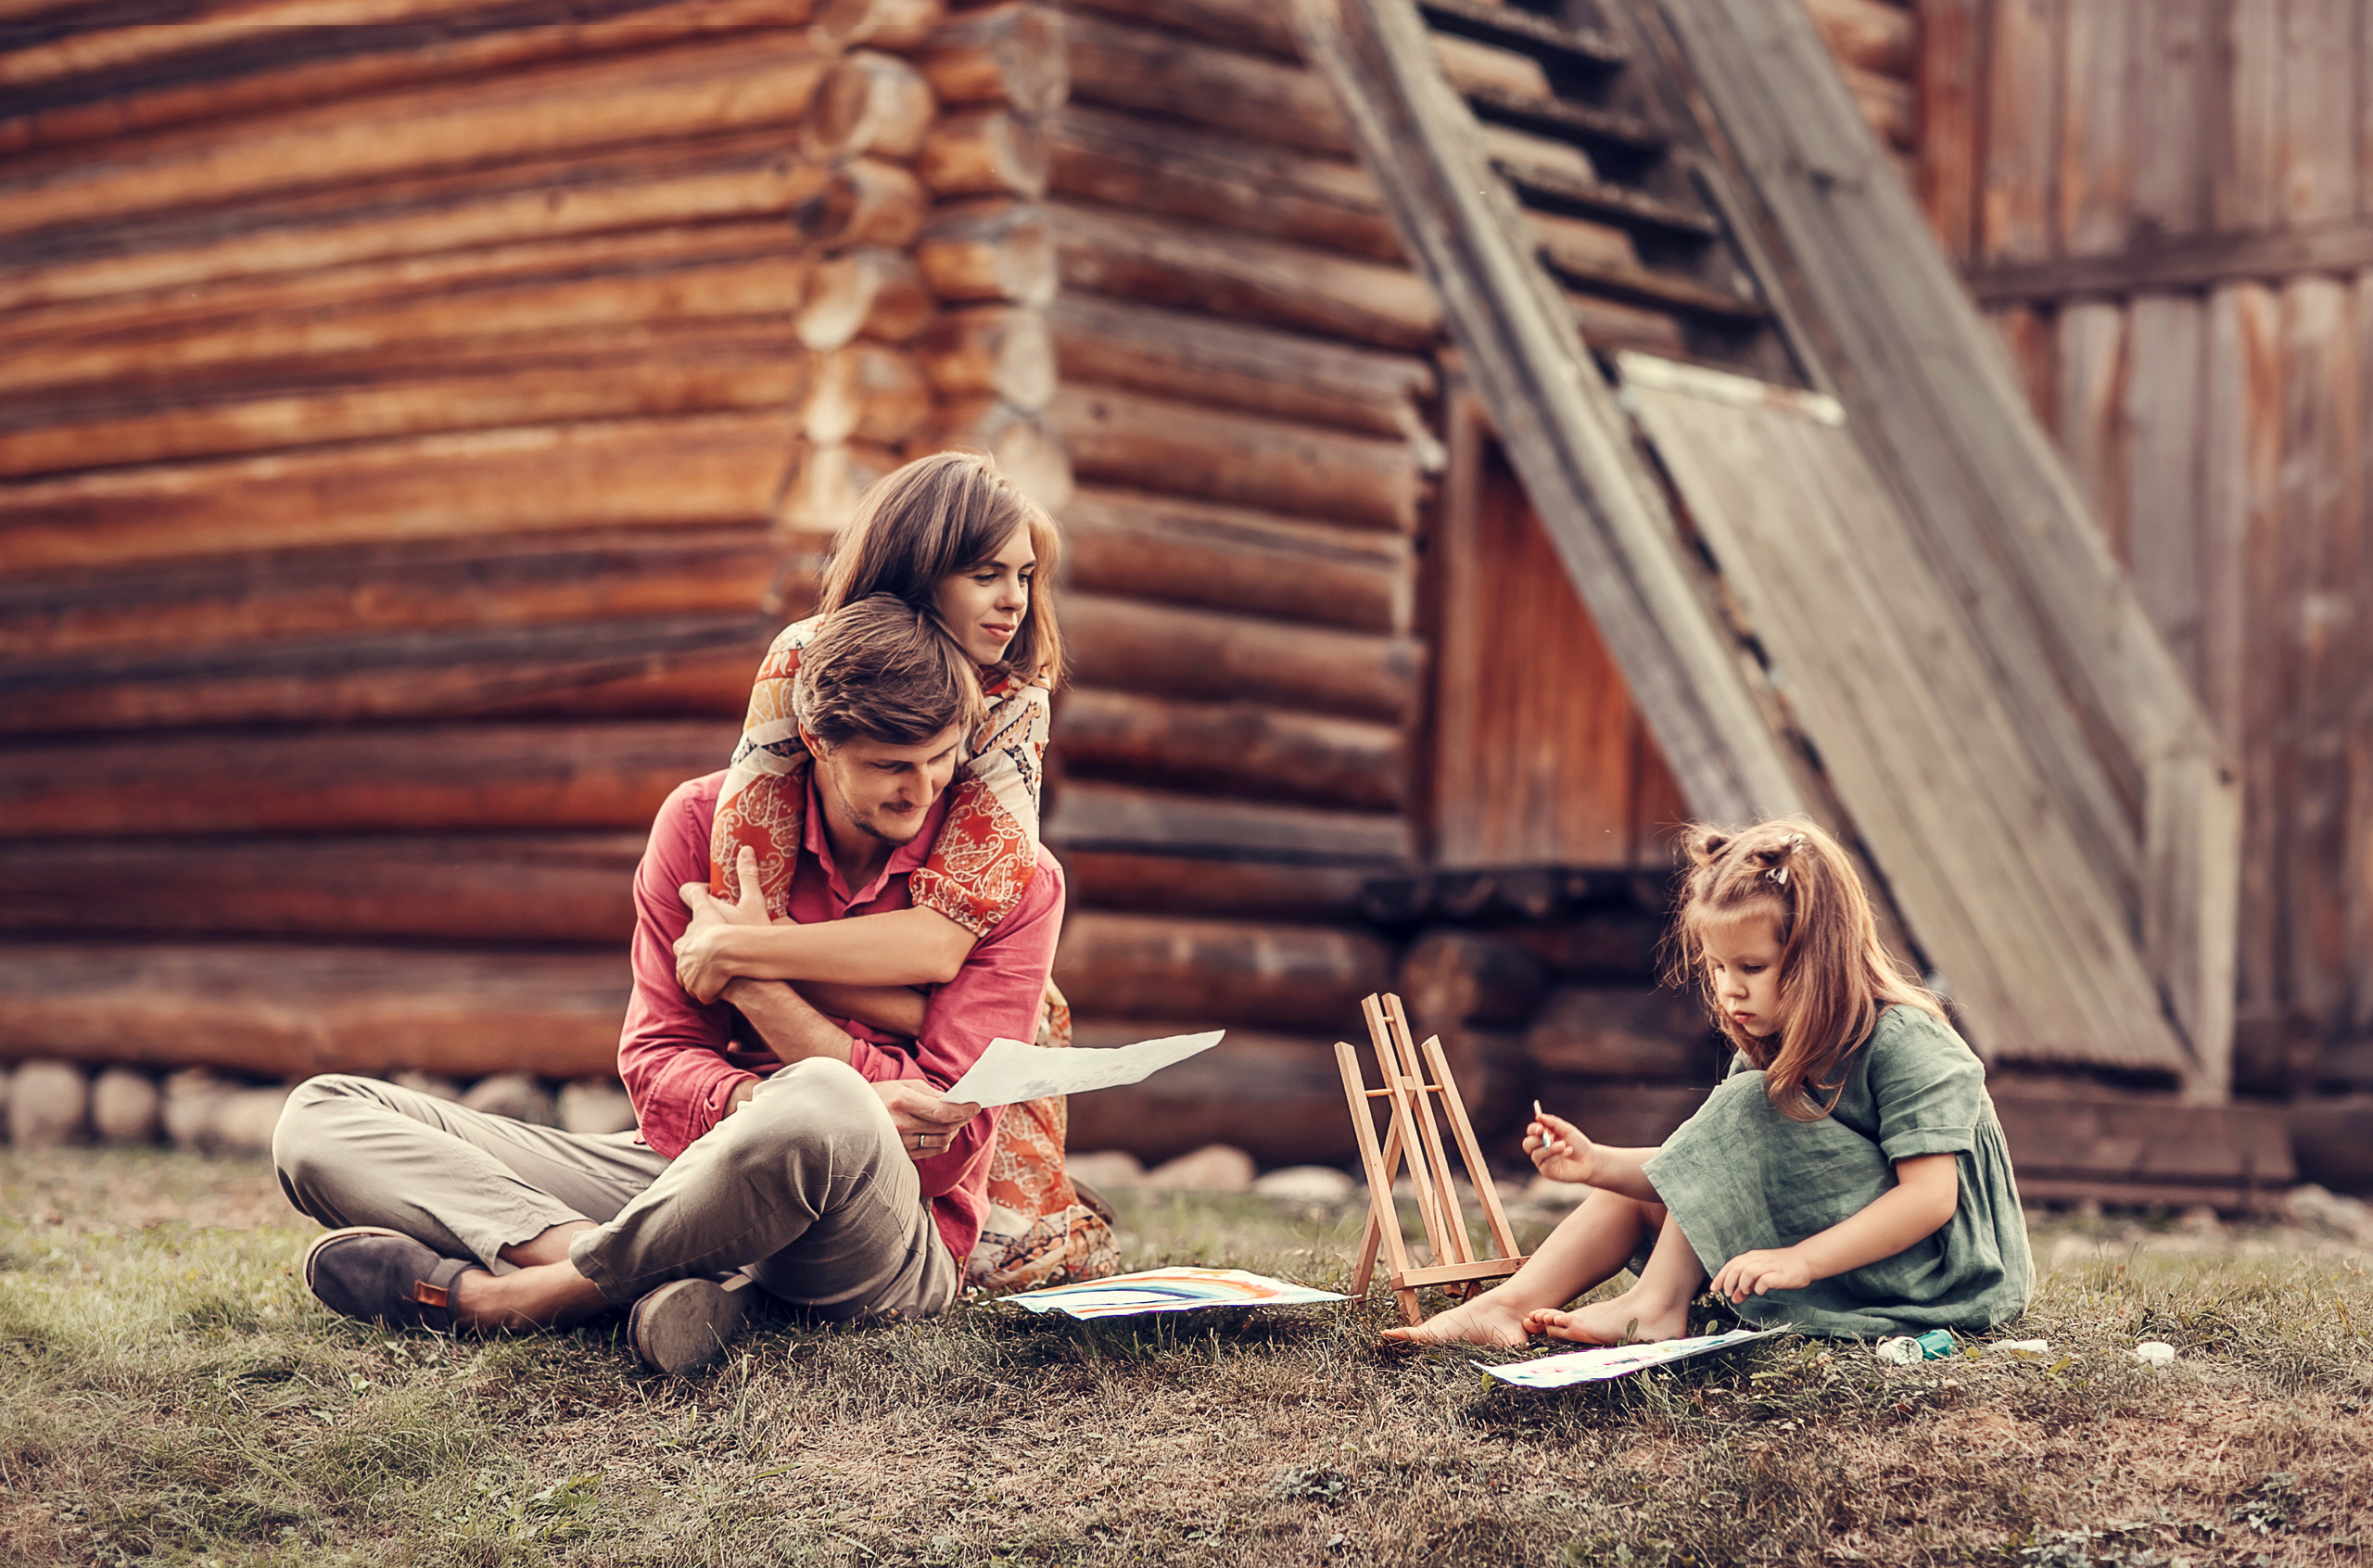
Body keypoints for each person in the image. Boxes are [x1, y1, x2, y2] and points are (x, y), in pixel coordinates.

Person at [275, 596, 1069, 1372]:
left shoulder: (1018, 881)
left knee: (826, 1101)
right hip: (698, 1166)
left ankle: (513, 1298)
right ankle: (649, 1273)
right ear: (819, 742)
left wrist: (751, 977)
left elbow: (946, 1144)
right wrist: (756, 1109)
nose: (924, 788)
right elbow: (656, 1064)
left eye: (942, 758)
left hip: (882, 1232)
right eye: (891, 765)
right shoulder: (700, 826)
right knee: (320, 1120)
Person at [671, 450, 1107, 1291]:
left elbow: (947, 946)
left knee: (1010, 1256)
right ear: (918, 567)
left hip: (977, 993)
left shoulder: (1014, 695)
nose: (1015, 600)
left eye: (1024, 575)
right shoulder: (803, 661)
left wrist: (753, 954)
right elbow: (741, 882)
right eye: (985, 575)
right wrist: (755, 945)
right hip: (860, 978)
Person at [1388, 818, 2032, 1347]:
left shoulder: (1906, 1041)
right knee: (1678, 1173)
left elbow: (1929, 1201)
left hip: (1938, 1273)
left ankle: (1657, 1305)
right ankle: (1509, 1305)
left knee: (1737, 1118)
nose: (1729, 987)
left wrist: (1798, 1261)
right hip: (1856, 1251)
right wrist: (1597, 1164)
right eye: (1718, 965)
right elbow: (1701, 1166)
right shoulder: (1776, 1044)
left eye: (1752, 966)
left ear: (1819, 956)